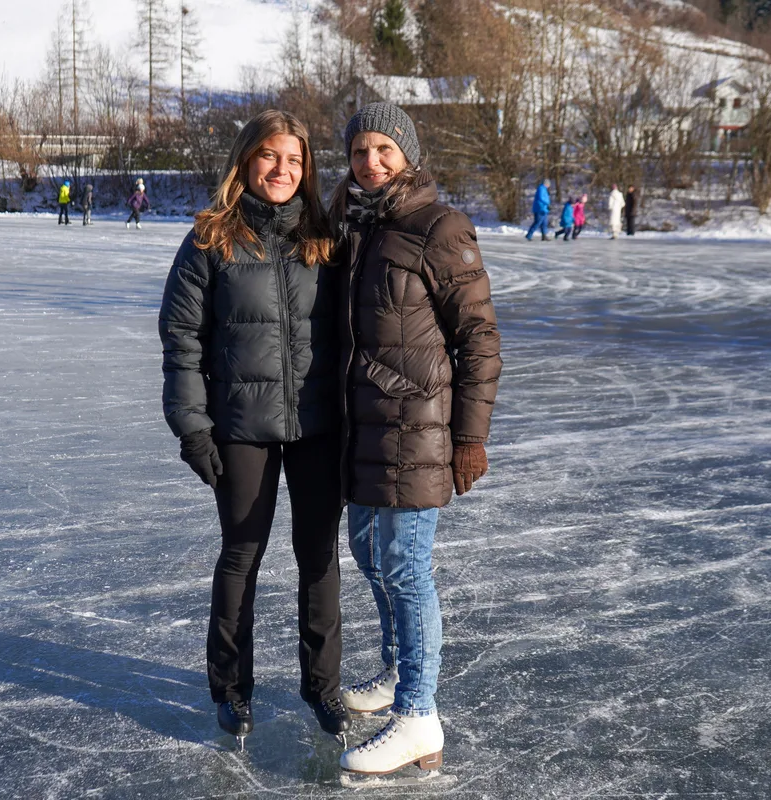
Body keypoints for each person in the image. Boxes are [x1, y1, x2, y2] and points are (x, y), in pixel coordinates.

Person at [158, 109, 350, 749]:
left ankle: (322, 688)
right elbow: (181, 339)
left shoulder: (324, 237)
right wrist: (193, 428)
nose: (282, 171)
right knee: (242, 555)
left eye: (295, 161)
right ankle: (231, 690)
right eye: (271, 157)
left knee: (319, 559)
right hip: (241, 428)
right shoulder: (211, 240)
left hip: (320, 427)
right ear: (246, 160)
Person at [330, 102, 502, 778]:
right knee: (369, 552)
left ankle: (418, 713)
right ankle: (401, 668)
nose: (370, 163)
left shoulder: (440, 227)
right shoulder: (359, 228)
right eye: (358, 152)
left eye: (383, 150)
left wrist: (470, 436)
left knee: (404, 565)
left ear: (407, 155)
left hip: (419, 429)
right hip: (365, 427)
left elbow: (480, 342)